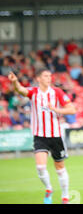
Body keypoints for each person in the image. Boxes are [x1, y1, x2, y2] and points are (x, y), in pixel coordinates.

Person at [8, 69, 76, 204]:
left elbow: (72, 109)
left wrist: (56, 110)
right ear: (38, 78)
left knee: (60, 169)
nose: (49, 78)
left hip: (56, 136)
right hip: (40, 136)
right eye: (46, 76)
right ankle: (49, 189)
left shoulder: (57, 92)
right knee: (40, 167)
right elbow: (21, 90)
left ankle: (65, 196)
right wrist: (15, 82)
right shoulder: (34, 92)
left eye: (50, 76)